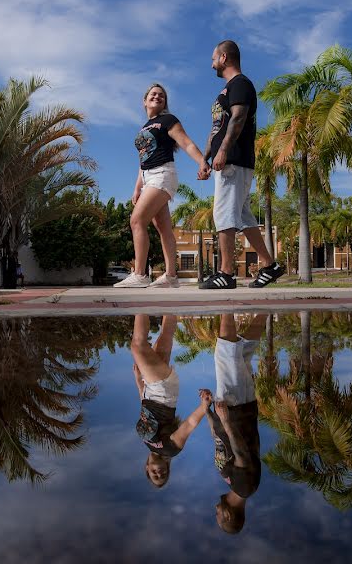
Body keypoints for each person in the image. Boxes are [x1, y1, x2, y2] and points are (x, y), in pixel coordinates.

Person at [198, 40, 284, 290]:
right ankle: (270, 265)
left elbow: (238, 118)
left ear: (224, 58)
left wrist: (223, 151)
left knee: (223, 213)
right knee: (244, 217)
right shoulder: (225, 91)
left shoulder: (241, 84)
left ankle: (226, 273)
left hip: (234, 160)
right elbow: (217, 127)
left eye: (214, 57)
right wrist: (205, 157)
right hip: (225, 160)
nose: (212, 62)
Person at [115, 83, 209, 288]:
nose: (157, 97)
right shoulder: (144, 127)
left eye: (162, 96)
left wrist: (202, 161)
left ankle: (139, 274)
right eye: (153, 94)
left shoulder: (168, 120)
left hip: (163, 174)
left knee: (137, 220)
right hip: (149, 177)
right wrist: (137, 187)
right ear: (145, 100)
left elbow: (186, 143)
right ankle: (171, 277)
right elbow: (142, 160)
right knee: (163, 227)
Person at [131, 314, 212, 487]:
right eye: (163, 474)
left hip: (152, 392)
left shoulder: (148, 444)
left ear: (147, 467)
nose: (158, 472)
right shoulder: (171, 449)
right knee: (138, 346)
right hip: (162, 393)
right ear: (168, 467)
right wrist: (204, 406)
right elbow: (189, 424)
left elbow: (146, 411)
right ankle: (139, 300)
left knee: (165, 335)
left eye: (154, 474)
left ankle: (170, 290)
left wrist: (139, 383)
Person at [206, 312, 265, 533]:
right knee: (227, 354)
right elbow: (241, 454)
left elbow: (219, 440)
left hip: (234, 409)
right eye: (218, 516)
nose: (216, 509)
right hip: (237, 410)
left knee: (242, 354)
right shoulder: (245, 488)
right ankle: (226, 298)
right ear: (228, 515)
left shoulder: (238, 486)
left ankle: (265, 304)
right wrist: (226, 420)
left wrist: (207, 411)